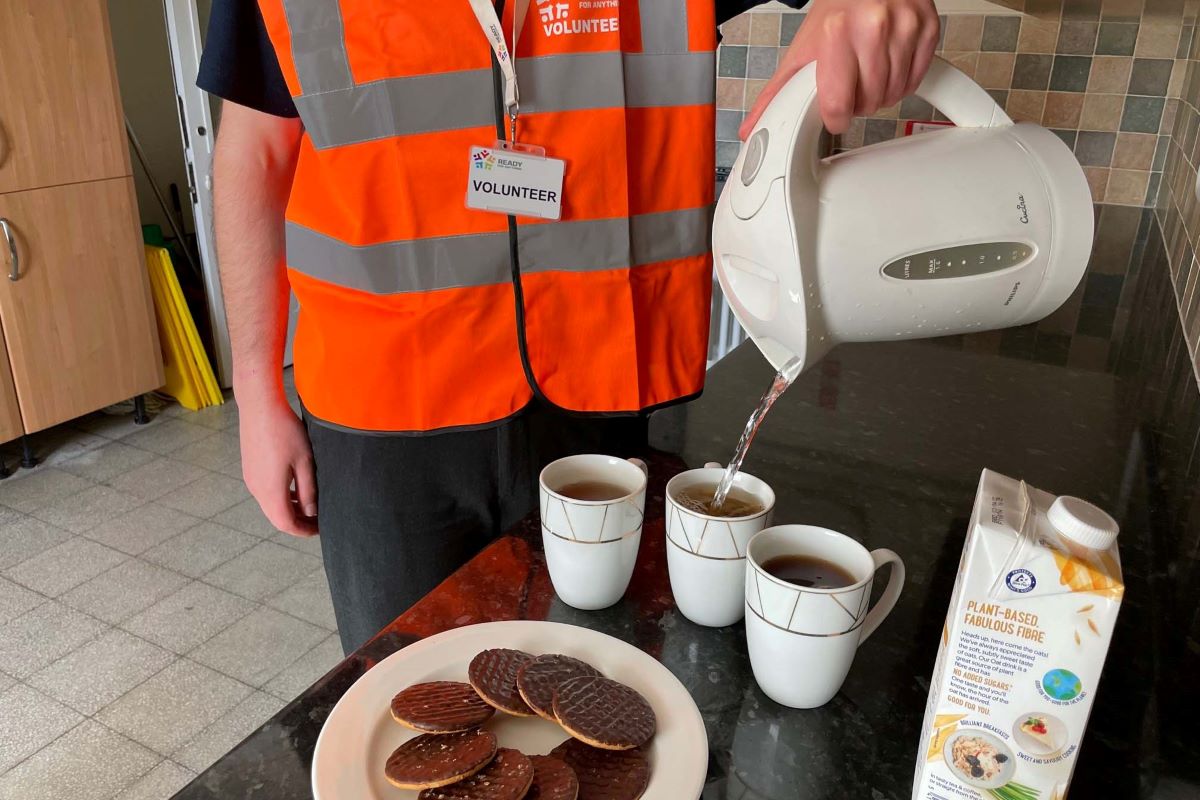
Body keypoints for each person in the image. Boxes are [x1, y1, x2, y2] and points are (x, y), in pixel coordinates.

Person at [198, 0, 938, 654]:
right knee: (409, 703)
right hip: (377, 414)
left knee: (597, 691)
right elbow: (254, 152)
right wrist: (256, 396)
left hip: (596, 392)